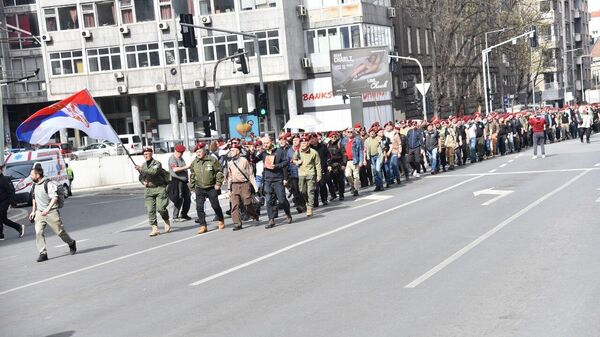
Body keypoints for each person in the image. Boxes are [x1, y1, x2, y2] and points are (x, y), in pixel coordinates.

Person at [29, 165, 76, 262]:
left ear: (38, 175)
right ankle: (43, 253)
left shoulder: (48, 184)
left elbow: (54, 198)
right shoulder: (34, 185)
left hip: (51, 212)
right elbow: (34, 198)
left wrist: (47, 209)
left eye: (32, 175)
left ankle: (71, 243)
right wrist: (33, 211)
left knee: (60, 232)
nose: (30, 176)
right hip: (39, 213)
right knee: (39, 232)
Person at [189, 142, 225, 234]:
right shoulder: (194, 163)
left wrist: (218, 183)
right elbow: (192, 176)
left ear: (204, 151)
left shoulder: (212, 160)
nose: (198, 153)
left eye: (200, 151)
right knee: (199, 207)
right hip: (199, 188)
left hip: (211, 187)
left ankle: (221, 219)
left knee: (215, 206)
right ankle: (203, 225)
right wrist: (192, 189)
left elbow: (219, 172)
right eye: (196, 152)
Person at [135, 147, 171, 237]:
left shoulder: (157, 163)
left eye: (147, 154)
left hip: (159, 188)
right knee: (150, 210)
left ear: (152, 154)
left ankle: (166, 220)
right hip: (149, 190)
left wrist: (141, 169)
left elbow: (153, 172)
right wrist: (143, 182)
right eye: (144, 154)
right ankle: (154, 228)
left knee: (161, 208)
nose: (146, 156)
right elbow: (141, 177)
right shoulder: (143, 165)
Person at [258, 137, 292, 228]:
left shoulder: (279, 151)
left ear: (271, 142)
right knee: (269, 200)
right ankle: (271, 219)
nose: (265, 145)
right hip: (268, 179)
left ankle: (288, 214)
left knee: (282, 200)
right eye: (263, 143)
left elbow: (285, 163)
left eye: (267, 143)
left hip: (278, 179)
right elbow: (254, 160)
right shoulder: (263, 153)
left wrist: (276, 166)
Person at [227, 143, 259, 231]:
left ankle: (254, 216)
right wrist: (229, 189)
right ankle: (237, 223)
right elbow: (229, 176)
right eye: (230, 150)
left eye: (233, 150)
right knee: (234, 205)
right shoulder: (230, 163)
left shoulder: (244, 161)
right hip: (234, 185)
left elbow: (250, 174)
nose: (231, 152)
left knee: (247, 204)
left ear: (238, 151)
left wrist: (255, 187)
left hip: (244, 184)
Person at [293, 136, 322, 217]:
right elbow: (293, 160)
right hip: (301, 174)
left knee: (310, 191)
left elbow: (318, 164)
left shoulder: (314, 152)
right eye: (302, 143)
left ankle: (309, 207)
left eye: (305, 143)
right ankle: (307, 202)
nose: (303, 144)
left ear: (308, 143)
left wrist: (319, 175)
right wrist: (297, 162)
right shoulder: (297, 152)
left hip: (310, 174)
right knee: (302, 191)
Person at [168, 145, 192, 222]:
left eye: (182, 152)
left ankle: (184, 214)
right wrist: (187, 167)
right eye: (179, 152)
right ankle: (175, 216)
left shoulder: (180, 158)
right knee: (179, 198)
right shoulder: (172, 159)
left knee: (187, 197)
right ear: (175, 151)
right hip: (177, 180)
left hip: (183, 181)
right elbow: (175, 169)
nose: (180, 154)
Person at [0, 165, 24, 240]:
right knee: (4, 220)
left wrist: (13, 203)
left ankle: (1, 235)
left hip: (5, 201)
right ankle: (18, 227)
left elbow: (11, 191)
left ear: (1, 170)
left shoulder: (5, 179)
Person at [343, 128, 363, 197]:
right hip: (347, 161)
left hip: (355, 160)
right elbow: (342, 149)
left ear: (353, 132)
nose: (350, 133)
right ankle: (352, 185)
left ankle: (356, 190)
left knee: (356, 176)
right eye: (348, 132)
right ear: (346, 133)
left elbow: (360, 151)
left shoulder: (357, 140)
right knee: (347, 175)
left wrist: (361, 161)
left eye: (351, 132)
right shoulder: (344, 140)